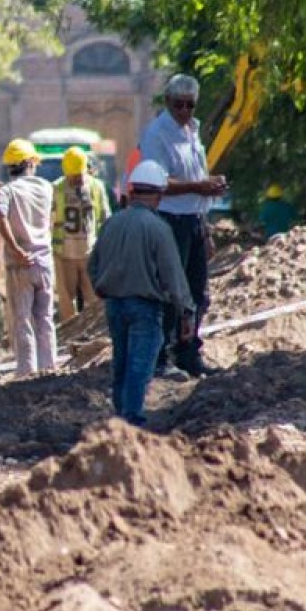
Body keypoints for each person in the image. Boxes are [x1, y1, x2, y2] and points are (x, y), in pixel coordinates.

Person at [89, 160, 194, 426]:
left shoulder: (112, 223)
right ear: (159, 195)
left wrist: (103, 288)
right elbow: (174, 276)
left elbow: (93, 265)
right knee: (139, 367)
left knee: (121, 364)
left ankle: (119, 418)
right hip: (145, 308)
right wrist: (186, 313)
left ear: (133, 191)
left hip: (114, 304)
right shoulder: (158, 228)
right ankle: (130, 421)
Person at [139, 73, 224, 379]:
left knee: (198, 293)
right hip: (169, 221)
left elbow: (195, 179)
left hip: (194, 220)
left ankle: (188, 352)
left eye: (190, 105)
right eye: (179, 105)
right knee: (169, 292)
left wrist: (206, 208)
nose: (185, 111)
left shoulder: (193, 132)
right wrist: (199, 187)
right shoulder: (156, 134)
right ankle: (160, 357)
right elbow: (157, 182)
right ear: (167, 102)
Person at [0, 138, 57, 376]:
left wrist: (15, 248)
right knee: (44, 318)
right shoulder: (47, 188)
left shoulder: (6, 192)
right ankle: (49, 368)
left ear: (10, 166)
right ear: (30, 163)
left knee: (22, 319)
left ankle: (27, 371)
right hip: (44, 261)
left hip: (20, 264)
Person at [51, 146, 111, 320]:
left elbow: (105, 218)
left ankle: (92, 339)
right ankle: (69, 341)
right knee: (66, 303)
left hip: (90, 254)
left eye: (79, 175)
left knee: (94, 301)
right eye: (73, 176)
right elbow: (48, 222)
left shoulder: (96, 187)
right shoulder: (57, 189)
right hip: (64, 256)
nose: (77, 180)